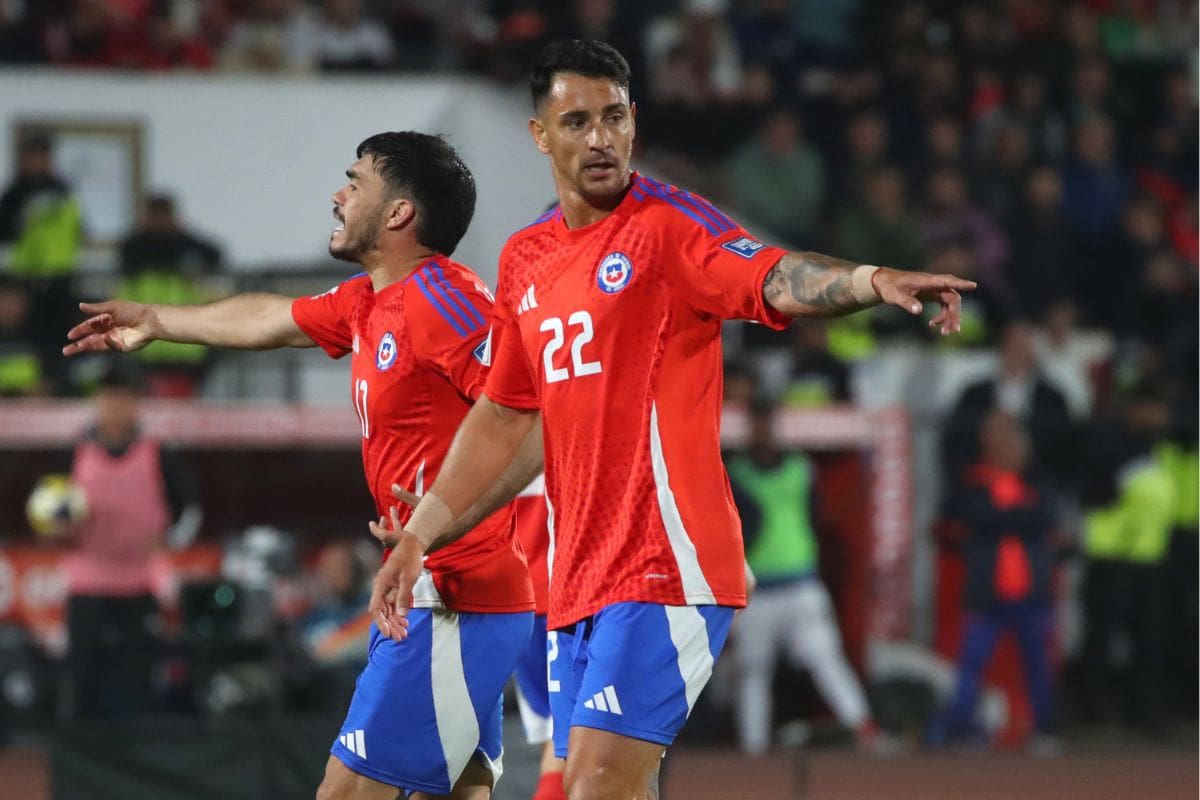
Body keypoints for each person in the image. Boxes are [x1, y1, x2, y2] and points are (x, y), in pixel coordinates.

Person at [369, 40, 974, 800]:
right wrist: (424, 533)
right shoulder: (526, 258)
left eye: (614, 117)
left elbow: (776, 277)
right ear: (540, 135)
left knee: (591, 788)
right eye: (578, 120)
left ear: (634, 123)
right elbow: (508, 417)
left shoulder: (669, 228)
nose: (599, 138)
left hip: (667, 567)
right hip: (583, 582)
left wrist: (868, 279)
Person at [64, 132, 536, 800]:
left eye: (356, 181)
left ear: (400, 213)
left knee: (344, 793)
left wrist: (433, 527)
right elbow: (268, 319)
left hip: (456, 592)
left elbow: (532, 412)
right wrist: (157, 319)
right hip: (437, 592)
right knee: (457, 790)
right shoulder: (370, 301)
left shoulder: (442, 297)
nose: (338, 196)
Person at [725, 397, 878, 755]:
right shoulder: (735, 473)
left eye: (767, 423)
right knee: (753, 672)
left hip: (800, 585)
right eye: (756, 424)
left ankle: (863, 728)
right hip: (756, 588)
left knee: (825, 659)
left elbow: (814, 519)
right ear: (749, 428)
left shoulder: (800, 468)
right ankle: (753, 751)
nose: (762, 432)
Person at [63, 360, 201, 720]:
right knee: (83, 674)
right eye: (108, 399)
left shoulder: (158, 453)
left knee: (137, 675)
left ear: (136, 404)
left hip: (140, 581)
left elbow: (189, 510)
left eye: (123, 399)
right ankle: (84, 758)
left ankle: (133, 759)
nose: (115, 408)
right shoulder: (73, 453)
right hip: (88, 581)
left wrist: (170, 540)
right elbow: (49, 510)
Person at [927, 411, 1062, 753]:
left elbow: (1043, 518)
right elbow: (976, 517)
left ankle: (1045, 728)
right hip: (987, 592)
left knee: (1037, 665)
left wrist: (1005, 520)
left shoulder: (1036, 483)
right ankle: (958, 726)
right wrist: (1016, 520)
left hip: (1030, 592)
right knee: (971, 663)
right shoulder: (972, 482)